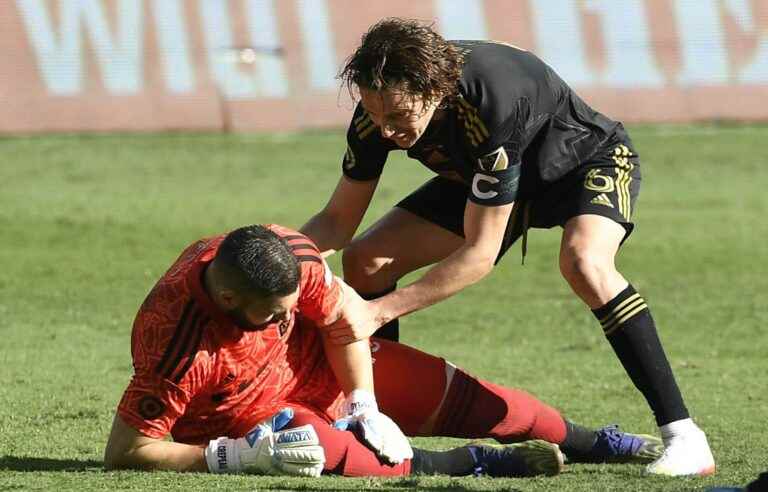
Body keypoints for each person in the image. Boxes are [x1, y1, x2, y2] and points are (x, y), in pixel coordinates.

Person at [299, 18, 714, 477]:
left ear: (435, 88)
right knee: (367, 261)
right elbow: (336, 221)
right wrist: (281, 253)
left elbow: (479, 253)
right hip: (487, 180)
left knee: (584, 263)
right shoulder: (379, 111)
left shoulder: (491, 98)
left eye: (398, 117)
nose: (387, 130)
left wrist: (377, 313)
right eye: (376, 117)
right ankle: (376, 419)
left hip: (579, 164)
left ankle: (684, 436)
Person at [103, 224, 663, 477]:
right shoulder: (174, 341)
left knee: (479, 400)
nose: (284, 319)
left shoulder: (289, 258)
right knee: (316, 449)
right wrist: (229, 457)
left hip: (323, 366)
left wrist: (362, 403)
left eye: (290, 308)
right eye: (273, 315)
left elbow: (343, 324)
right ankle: (465, 465)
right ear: (227, 299)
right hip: (251, 414)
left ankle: (597, 442)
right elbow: (127, 450)